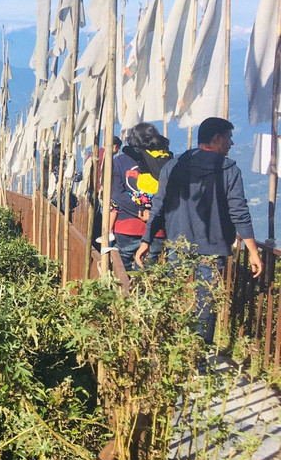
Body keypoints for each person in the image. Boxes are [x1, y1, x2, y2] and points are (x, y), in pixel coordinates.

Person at [133, 117, 263, 341]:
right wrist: (253, 251)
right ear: (216, 138)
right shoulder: (228, 170)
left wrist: (146, 240)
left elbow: (159, 206)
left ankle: (170, 346)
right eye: (229, 138)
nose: (231, 144)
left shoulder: (174, 166)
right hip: (213, 246)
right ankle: (200, 358)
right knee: (206, 301)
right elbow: (238, 212)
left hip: (178, 243)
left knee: (171, 294)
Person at [109, 123, 173, 269]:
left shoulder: (119, 162)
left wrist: (139, 210)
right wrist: (151, 213)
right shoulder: (165, 160)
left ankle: (124, 291)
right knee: (147, 275)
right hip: (156, 227)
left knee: (122, 272)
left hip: (126, 224)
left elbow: (117, 194)